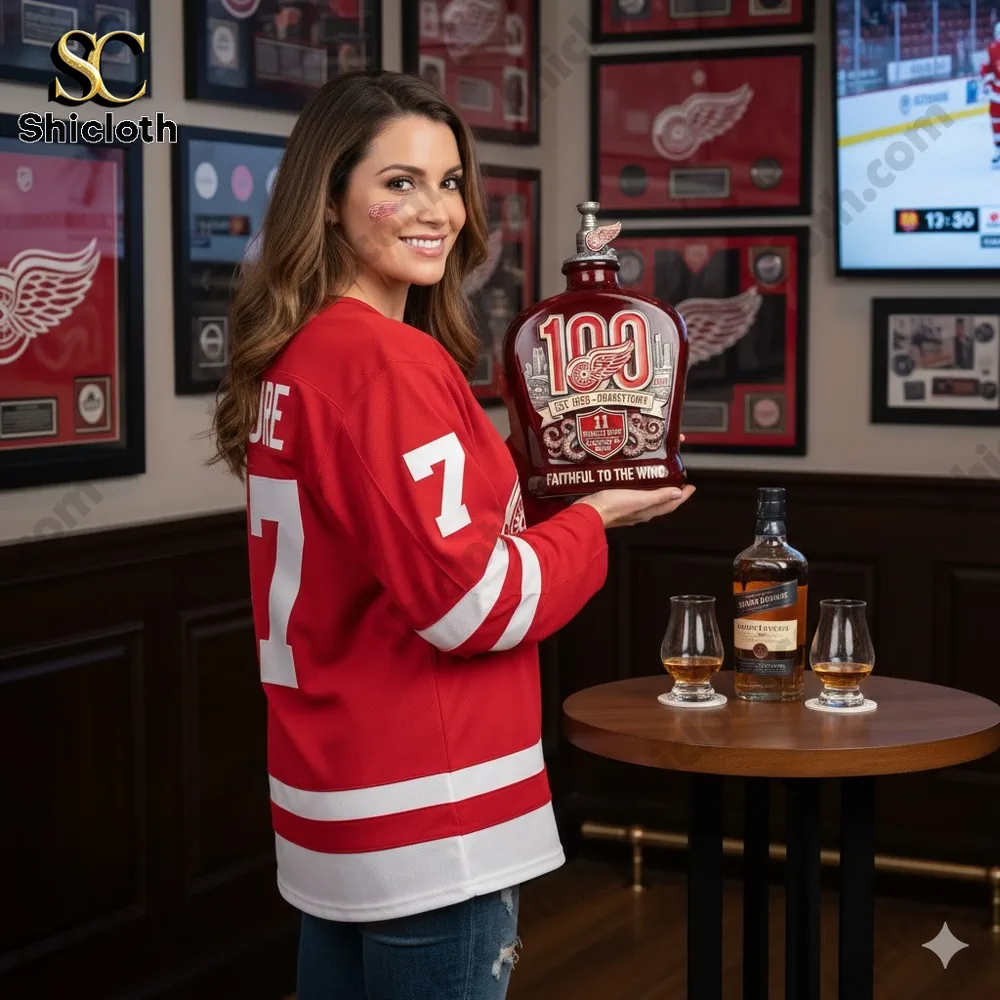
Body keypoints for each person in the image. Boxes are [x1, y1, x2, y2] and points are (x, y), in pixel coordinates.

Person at [210, 70, 695, 1000]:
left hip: (339, 792)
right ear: (329, 197)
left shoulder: (308, 350)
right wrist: (595, 515)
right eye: (399, 182)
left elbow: (409, 529)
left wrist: (555, 460)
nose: (437, 209)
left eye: (449, 181)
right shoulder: (388, 363)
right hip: (429, 810)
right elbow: (474, 604)